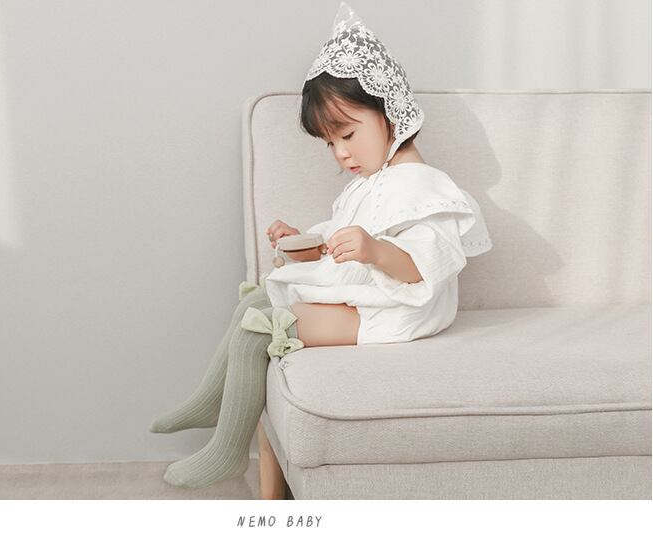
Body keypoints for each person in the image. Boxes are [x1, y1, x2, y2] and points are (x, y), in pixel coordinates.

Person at [149, 2, 491, 489]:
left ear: (391, 113)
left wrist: (375, 251)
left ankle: (228, 450)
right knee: (256, 301)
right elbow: (339, 249)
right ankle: (212, 402)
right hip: (370, 299)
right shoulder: (371, 181)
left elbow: (426, 265)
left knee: (260, 328)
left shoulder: (422, 186)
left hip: (397, 313)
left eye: (347, 134)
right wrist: (305, 245)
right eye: (331, 143)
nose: (341, 153)